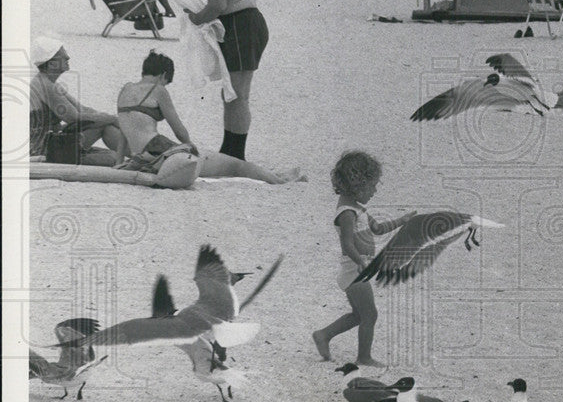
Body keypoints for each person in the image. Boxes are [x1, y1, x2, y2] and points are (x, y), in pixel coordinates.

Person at [168, 0, 268, 162]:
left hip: (242, 24)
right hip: (246, 23)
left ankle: (236, 154)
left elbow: (217, 4)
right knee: (232, 93)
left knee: (237, 94)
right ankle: (230, 150)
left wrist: (195, 19)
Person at [115, 51, 302, 183]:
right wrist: (191, 147)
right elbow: (179, 130)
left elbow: (124, 131)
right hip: (158, 150)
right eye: (167, 81)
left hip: (140, 155)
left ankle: (275, 176)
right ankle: (279, 180)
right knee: (234, 166)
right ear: (163, 75)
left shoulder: (125, 90)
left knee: (224, 165)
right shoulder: (158, 90)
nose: (166, 85)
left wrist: (118, 163)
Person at [312, 151, 414, 366]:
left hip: (357, 268)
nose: (375, 191)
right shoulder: (347, 213)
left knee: (359, 315)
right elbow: (347, 244)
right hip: (354, 270)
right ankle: (364, 357)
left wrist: (402, 221)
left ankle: (323, 335)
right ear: (357, 184)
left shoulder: (358, 208)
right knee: (370, 315)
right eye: (373, 186)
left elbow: (377, 229)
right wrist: (361, 263)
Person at [29, 37, 124, 164]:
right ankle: (141, 156)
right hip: (44, 149)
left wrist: (108, 117)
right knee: (113, 157)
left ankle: (139, 156)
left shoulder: (47, 82)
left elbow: (82, 109)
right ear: (51, 64)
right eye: (63, 55)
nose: (68, 57)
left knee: (105, 126)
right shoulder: (46, 86)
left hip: (53, 142)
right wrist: (112, 119)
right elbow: (74, 118)